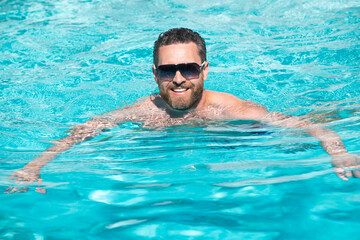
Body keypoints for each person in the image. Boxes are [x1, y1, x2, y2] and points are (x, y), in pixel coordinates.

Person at [6, 28, 360, 194]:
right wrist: (33, 166)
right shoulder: (145, 112)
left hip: (244, 138)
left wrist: (340, 154)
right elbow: (81, 133)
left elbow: (309, 126)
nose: (178, 79)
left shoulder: (232, 109)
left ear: (204, 70)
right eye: (167, 70)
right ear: (155, 74)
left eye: (189, 69)